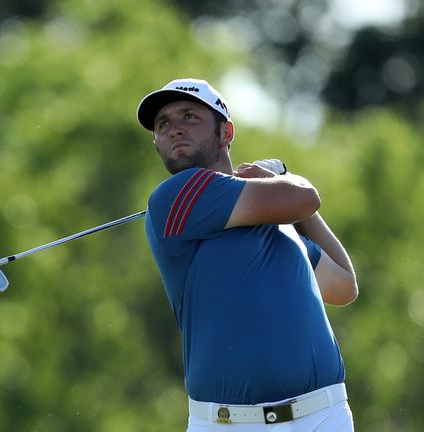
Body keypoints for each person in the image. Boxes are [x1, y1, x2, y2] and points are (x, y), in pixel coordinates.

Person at [137, 78, 359, 431]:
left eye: (189, 116)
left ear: (226, 133)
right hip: (231, 424)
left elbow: (344, 286)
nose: (174, 129)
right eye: (163, 124)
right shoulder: (174, 197)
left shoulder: (281, 223)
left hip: (323, 416)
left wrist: (291, 207)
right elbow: (305, 197)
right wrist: (281, 177)